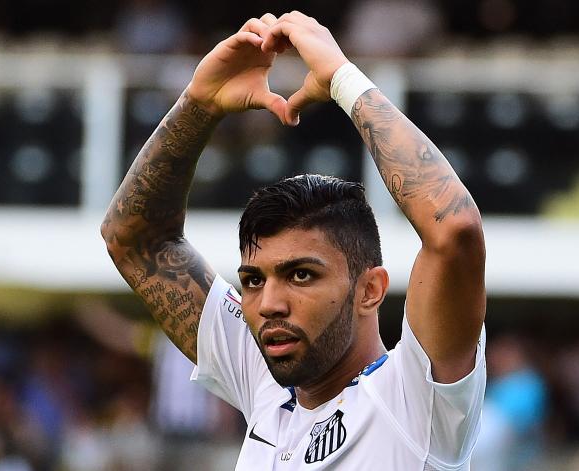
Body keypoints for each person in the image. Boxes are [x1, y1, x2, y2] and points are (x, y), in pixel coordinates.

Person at [99, 11, 487, 470]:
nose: (269, 304)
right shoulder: (263, 377)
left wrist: (342, 79)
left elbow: (454, 228)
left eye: (301, 275)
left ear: (370, 289)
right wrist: (199, 104)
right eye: (253, 280)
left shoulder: (415, 399)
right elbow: (136, 239)